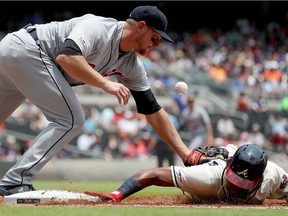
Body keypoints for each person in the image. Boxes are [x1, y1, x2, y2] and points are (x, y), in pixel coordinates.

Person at [0, 5, 193, 196]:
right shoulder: (99, 28)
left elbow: (152, 110)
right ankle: (17, 180)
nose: (156, 44)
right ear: (140, 27)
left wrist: (186, 154)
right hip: (29, 49)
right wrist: (105, 84)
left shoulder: (132, 65)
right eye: (155, 37)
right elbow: (66, 56)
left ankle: (15, 180)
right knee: (71, 119)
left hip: (16, 54)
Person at [85, 144, 288, 205]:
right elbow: (154, 174)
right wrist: (118, 194)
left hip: (229, 160)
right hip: (216, 166)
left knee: (228, 152)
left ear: (259, 180)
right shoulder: (206, 179)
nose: (236, 186)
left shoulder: (273, 175)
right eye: (234, 180)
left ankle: (226, 152)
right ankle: (222, 154)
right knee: (219, 156)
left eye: (243, 183)